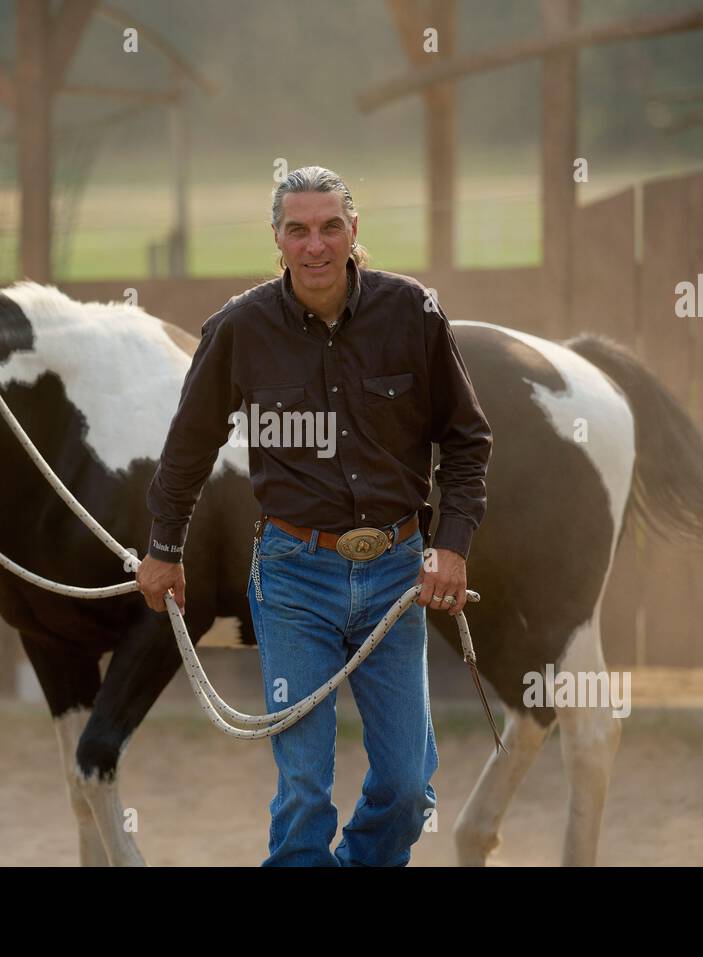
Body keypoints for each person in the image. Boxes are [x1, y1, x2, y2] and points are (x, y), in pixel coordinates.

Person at [137, 165, 492, 866]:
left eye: (331, 226)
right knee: (304, 792)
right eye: (298, 229)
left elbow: (467, 440)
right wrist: (162, 547)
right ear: (277, 240)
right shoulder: (239, 330)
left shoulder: (413, 314)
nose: (316, 244)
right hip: (294, 578)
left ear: (355, 231)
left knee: (407, 787)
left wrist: (449, 546)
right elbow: (186, 449)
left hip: (396, 572)